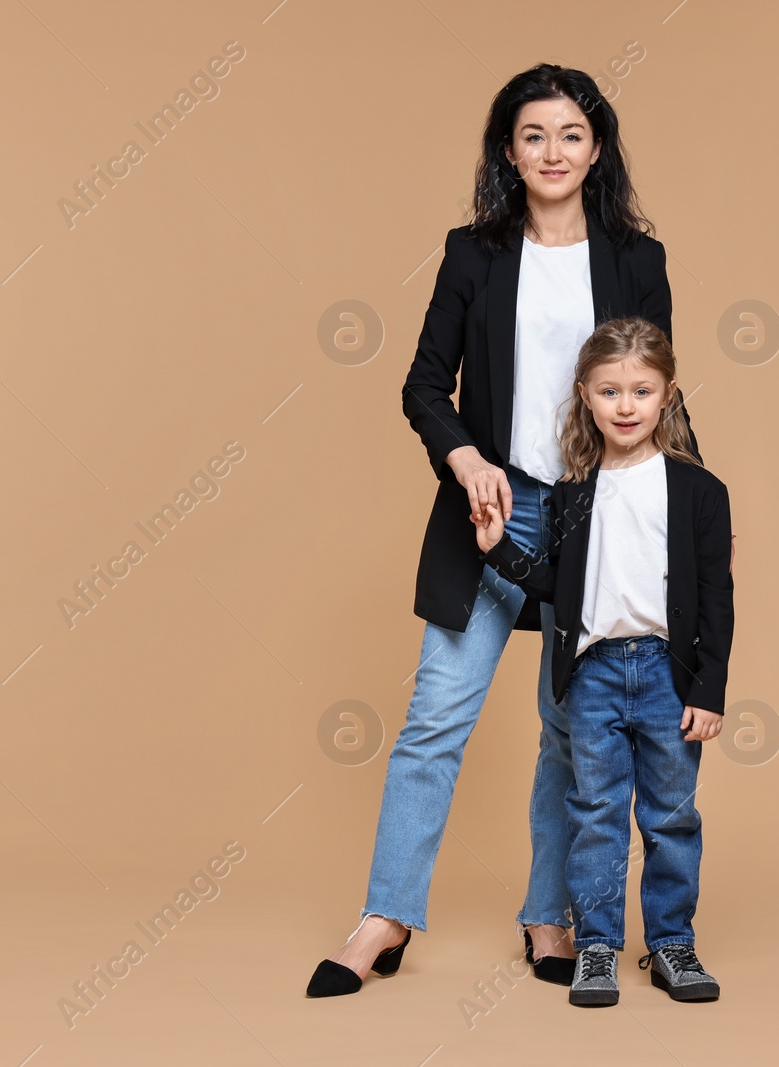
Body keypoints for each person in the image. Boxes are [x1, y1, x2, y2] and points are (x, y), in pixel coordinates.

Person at [305, 64, 702, 998]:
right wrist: (465, 459)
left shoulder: (637, 259)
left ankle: (547, 913)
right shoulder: (472, 252)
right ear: (509, 151)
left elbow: (659, 394)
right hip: (486, 510)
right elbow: (421, 385)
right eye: (533, 135)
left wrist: (694, 515)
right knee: (433, 719)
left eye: (570, 134)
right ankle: (385, 915)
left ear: (596, 148)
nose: (553, 151)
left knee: (573, 731)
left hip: (595, 520)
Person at [474, 316, 734, 1007]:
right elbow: (550, 583)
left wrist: (708, 690)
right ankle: (596, 946)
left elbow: (718, 601)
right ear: (586, 396)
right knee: (594, 812)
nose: (626, 405)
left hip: (666, 674)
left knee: (672, 815)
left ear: (667, 394)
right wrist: (500, 546)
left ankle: (673, 941)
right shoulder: (573, 492)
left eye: (641, 390)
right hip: (590, 676)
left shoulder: (699, 492)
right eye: (611, 390)